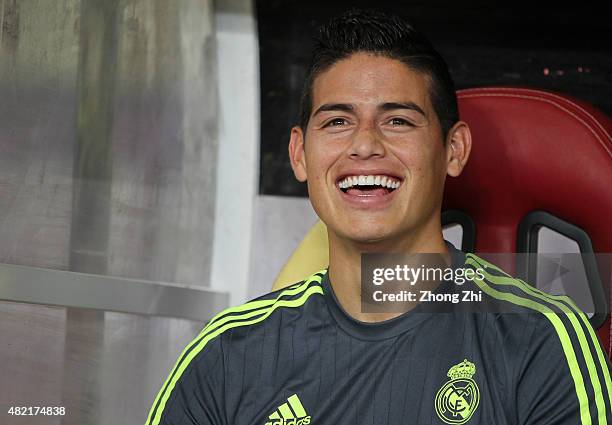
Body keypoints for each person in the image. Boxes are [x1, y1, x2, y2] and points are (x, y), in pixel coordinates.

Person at [145, 9, 611, 425]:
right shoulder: (228, 355)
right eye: (337, 122)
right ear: (299, 154)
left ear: (454, 149)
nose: (364, 145)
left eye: (398, 121)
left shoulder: (540, 343)